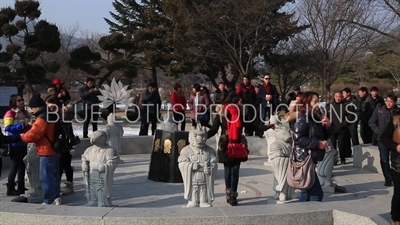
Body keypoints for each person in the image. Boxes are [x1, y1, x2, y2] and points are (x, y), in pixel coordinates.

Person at [3, 94, 62, 205]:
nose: (31, 110)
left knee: (46, 178)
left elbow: (33, 135)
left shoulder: (42, 118)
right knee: (54, 176)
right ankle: (56, 196)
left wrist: (17, 137)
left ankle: (48, 200)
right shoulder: (52, 114)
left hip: (46, 151)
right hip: (56, 149)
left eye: (32, 107)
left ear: (37, 106)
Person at [285, 91, 333, 202]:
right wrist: (318, 143)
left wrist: (328, 126)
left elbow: (324, 135)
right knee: (317, 194)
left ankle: (301, 216)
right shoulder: (303, 117)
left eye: (318, 101)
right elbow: (298, 138)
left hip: (311, 157)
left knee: (306, 191)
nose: (318, 104)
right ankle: (309, 217)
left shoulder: (315, 116)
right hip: (305, 157)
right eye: (315, 101)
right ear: (307, 103)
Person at [45, 95, 75, 195]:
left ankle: (68, 185)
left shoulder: (63, 113)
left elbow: (68, 127)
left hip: (64, 143)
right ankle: (57, 186)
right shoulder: (49, 114)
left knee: (64, 165)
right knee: (59, 166)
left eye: (50, 104)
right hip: (56, 143)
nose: (48, 107)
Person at [369, 94, 400, 187]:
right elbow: (371, 122)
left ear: (395, 102)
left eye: (391, 102)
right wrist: (378, 131)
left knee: (395, 160)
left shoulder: (398, 113)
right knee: (384, 159)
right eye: (387, 101)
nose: (388, 104)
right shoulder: (380, 110)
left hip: (395, 140)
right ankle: (388, 178)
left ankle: (395, 177)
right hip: (382, 139)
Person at [3, 94, 31, 196]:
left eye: (22, 100)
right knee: (14, 166)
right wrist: (21, 126)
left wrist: (30, 127)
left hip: (23, 141)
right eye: (19, 100)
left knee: (22, 165)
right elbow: (8, 128)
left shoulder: (25, 113)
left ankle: (21, 186)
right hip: (14, 143)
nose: (22, 102)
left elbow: (27, 126)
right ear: (14, 102)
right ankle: (10, 188)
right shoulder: (10, 113)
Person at [380, 111, 400, 225]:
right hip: (398, 163)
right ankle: (396, 218)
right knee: (399, 192)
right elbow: (384, 138)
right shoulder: (395, 120)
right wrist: (396, 146)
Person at [326, 91, 351, 165]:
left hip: (342, 129)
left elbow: (350, 116)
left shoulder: (345, 105)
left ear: (342, 97)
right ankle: (334, 160)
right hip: (332, 130)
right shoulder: (329, 106)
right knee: (333, 146)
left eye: (339, 96)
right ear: (334, 96)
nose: (338, 98)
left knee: (341, 145)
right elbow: (325, 116)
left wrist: (344, 124)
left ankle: (343, 158)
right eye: (336, 96)